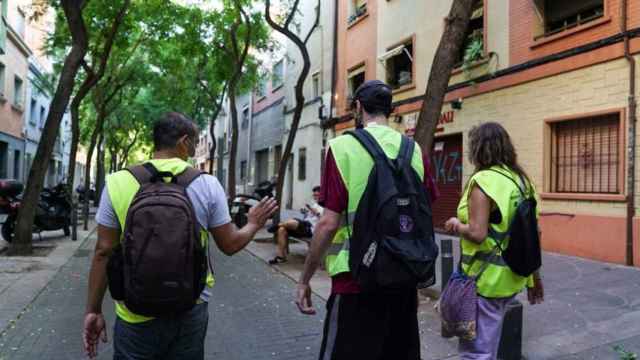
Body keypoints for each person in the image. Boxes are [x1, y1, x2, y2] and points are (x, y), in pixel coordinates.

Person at [83, 112, 278, 360]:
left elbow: (103, 251)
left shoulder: (117, 182)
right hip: (189, 307)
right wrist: (253, 224)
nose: (194, 150)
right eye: (195, 143)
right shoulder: (207, 184)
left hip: (134, 310)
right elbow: (229, 244)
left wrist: (93, 309)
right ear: (183, 142)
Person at [295, 80, 438, 359]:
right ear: (390, 109)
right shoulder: (414, 150)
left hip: (355, 281)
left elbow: (328, 223)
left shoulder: (341, 147)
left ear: (358, 108)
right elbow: (424, 206)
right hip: (404, 277)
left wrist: (304, 279)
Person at [444, 122, 544, 360]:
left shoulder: (484, 182)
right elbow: (534, 235)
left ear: (478, 149)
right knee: (489, 342)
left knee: (477, 352)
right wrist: (534, 279)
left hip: (485, 280)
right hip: (512, 277)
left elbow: (477, 233)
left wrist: (457, 225)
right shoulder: (521, 182)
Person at [268, 186, 323, 264]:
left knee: (292, 222)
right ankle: (281, 257)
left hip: (311, 229)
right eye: (314, 195)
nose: (315, 197)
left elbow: (324, 219)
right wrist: (306, 212)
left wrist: (316, 213)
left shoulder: (326, 206)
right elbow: (309, 217)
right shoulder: (315, 204)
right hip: (304, 226)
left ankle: (276, 226)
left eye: (317, 195)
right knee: (282, 230)